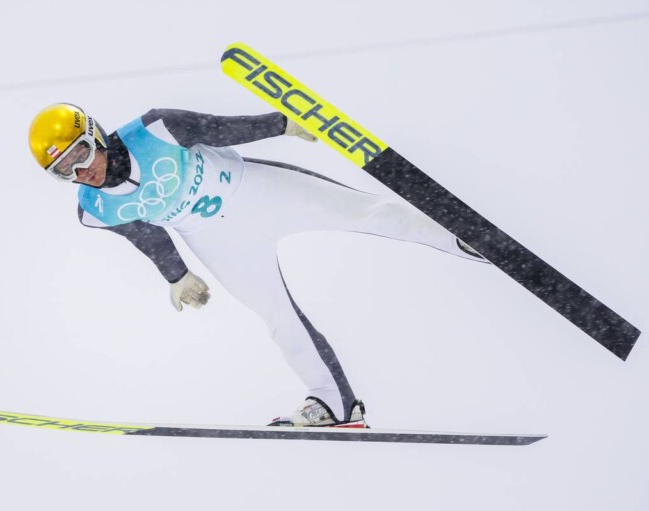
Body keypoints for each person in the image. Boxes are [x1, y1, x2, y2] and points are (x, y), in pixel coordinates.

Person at [28, 103, 487, 428]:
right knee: (275, 316)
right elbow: (143, 232)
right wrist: (177, 275)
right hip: (215, 238)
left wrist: (283, 124)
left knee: (366, 213)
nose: (80, 172)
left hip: (256, 191)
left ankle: (467, 238)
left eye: (81, 155)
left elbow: (222, 128)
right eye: (64, 171)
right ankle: (334, 406)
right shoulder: (94, 209)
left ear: (97, 135)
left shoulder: (156, 129)